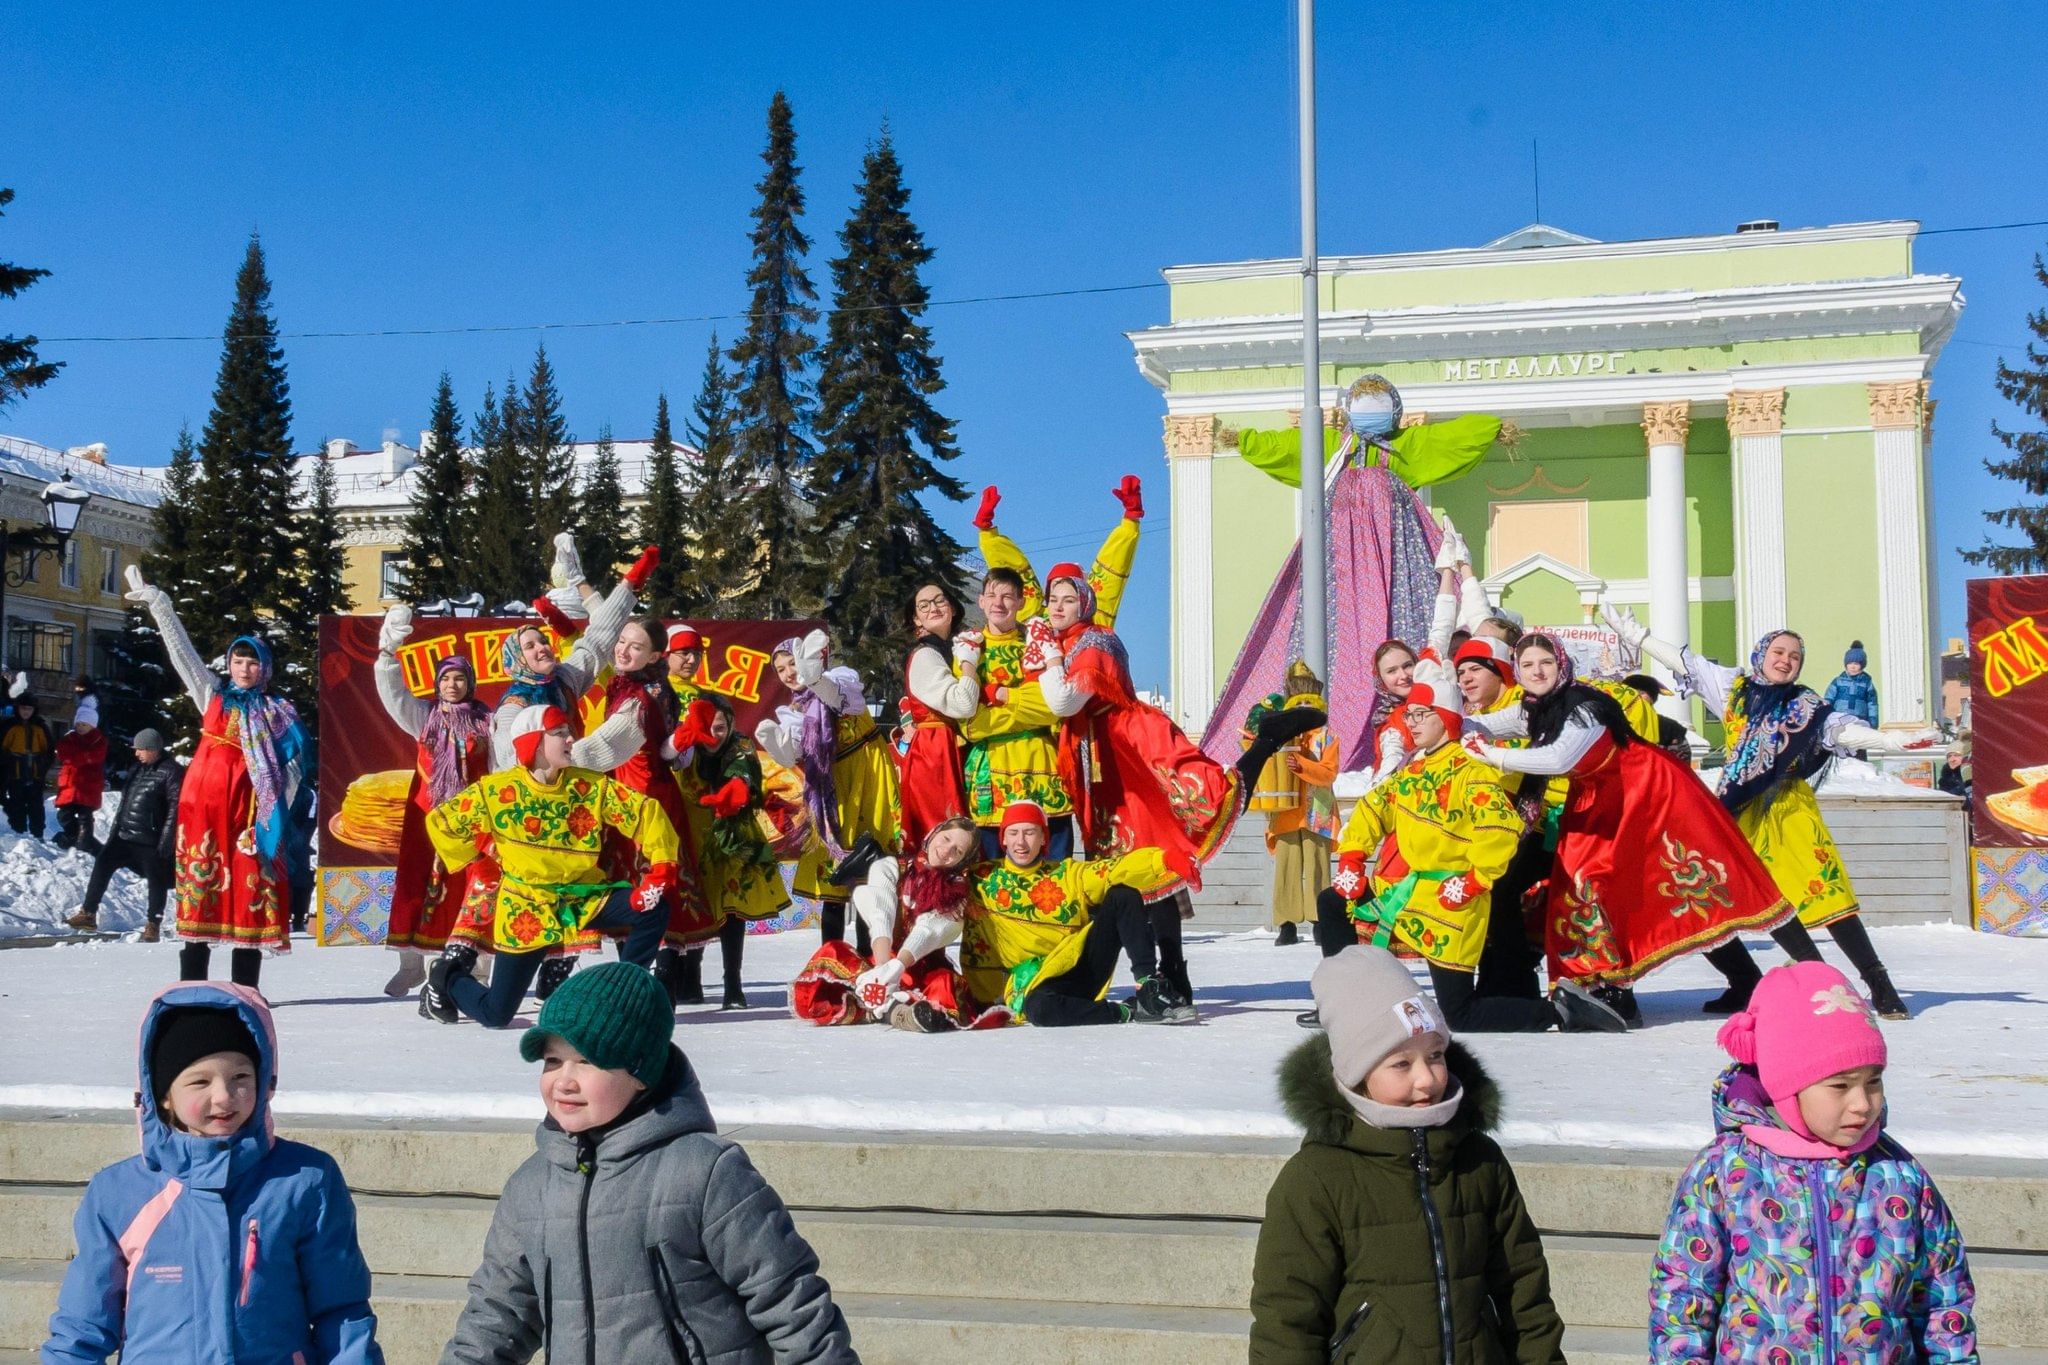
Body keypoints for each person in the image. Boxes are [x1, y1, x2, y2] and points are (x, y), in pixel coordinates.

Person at [441, 962, 857, 1364]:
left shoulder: (705, 1172)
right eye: (552, 1060)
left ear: (641, 1073)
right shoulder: (532, 1186)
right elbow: (497, 1316)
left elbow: (793, 1304)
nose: (564, 1080)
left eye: (588, 1060)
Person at [1607, 606, 1938, 1019]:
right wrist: (1636, 636)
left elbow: (1841, 730)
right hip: (1733, 811)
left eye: (1794, 656)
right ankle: (1815, 978)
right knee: (1736, 896)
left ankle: (1877, 980)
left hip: (1788, 809)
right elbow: (1685, 661)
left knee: (1827, 889)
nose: (1785, 660)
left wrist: (1892, 743)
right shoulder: (1733, 688)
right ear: (1761, 654)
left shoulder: (1805, 706)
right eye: (1778, 651)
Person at [1462, 633, 1806, 1024]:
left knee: (1683, 883)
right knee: (1627, 888)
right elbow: (1479, 722)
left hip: (1650, 793)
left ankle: (1616, 992)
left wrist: (1493, 756)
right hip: (1604, 800)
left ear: (1562, 665)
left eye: (1546, 663)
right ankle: (1736, 981)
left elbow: (1559, 758)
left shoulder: (1581, 708)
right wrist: (1430, 719)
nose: (1537, 671)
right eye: (1528, 665)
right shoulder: (1537, 707)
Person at [1250, 945, 1566, 1365]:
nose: (1427, 1079)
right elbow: (1286, 1321)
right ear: (1357, 1073)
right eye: (1401, 1064)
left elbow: (1524, 1292)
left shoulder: (1478, 1160)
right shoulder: (1317, 1178)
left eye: (1435, 1055)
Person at [1649, 962, 1976, 1360]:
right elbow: (1683, 1297)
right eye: (1839, 1086)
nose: (1862, 1104)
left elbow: (1944, 1299)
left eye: (1873, 1081)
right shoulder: (1726, 1173)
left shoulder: (1897, 1175)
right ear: (1788, 1087)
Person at [42, 982, 383, 1363]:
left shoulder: (304, 1180)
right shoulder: (119, 1192)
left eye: (241, 1077)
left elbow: (341, 1310)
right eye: (200, 1082)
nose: (224, 1095)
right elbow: (82, 1327)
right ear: (163, 1095)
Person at [1313, 680, 1616, 1034]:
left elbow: (1500, 829)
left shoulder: (1472, 770)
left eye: (1421, 714)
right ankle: (1348, 1004)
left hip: (1451, 900)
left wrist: (1474, 880)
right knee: (1334, 901)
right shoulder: (1414, 769)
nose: (1410, 722)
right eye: (1408, 714)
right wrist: (1351, 860)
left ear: (1446, 718)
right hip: (1408, 893)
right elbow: (1372, 809)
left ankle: (1561, 1012)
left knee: (1460, 1015)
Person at [420, 706, 680, 1029]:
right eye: (559, 734)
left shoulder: (589, 787)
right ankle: (445, 975)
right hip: (527, 907)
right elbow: (441, 822)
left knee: (652, 909)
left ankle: (620, 998)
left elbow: (644, 811)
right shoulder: (498, 791)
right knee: (496, 1014)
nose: (571, 739)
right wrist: (480, 853)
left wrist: (662, 867)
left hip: (583, 897)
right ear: (535, 742)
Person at [125, 567, 312, 989]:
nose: (243, 669)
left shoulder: (278, 711)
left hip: (248, 820)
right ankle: (192, 988)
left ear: (265, 667)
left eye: (252, 662)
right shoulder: (213, 696)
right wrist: (161, 606)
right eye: (237, 660)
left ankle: (246, 991)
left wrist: (271, 812)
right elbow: (183, 656)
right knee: (200, 896)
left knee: (249, 895)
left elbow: (296, 766)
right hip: (203, 815)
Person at [957, 481, 1141, 859]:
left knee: (1075, 850)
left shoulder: (1092, 633)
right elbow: (1012, 578)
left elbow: (1109, 578)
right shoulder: (1022, 632)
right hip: (1007, 765)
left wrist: (1129, 525)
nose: (1058, 607)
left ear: (1083, 601)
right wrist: (989, 534)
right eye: (1052, 597)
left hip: (1077, 751)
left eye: (1068, 598)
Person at [961, 800, 1197, 1025]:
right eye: (1013, 833)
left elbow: (1111, 869)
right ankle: (1126, 1010)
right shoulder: (982, 878)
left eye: (1030, 832)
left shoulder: (1067, 873)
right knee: (1041, 1009)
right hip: (1038, 986)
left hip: (1081, 969)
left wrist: (1163, 860)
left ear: (1044, 837)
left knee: (1122, 894)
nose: (1021, 842)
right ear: (1003, 838)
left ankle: (1148, 986)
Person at [373, 607, 497, 1003]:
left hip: (472, 818)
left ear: (471, 682)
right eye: (447, 677)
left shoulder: (486, 722)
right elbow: (393, 695)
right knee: (419, 886)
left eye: (460, 677)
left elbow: (498, 764)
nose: (453, 684)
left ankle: (476, 967)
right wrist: (387, 654)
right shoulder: (423, 717)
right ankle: (412, 966)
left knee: (475, 886)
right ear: (437, 682)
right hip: (428, 814)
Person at [755, 630, 901, 948]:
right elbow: (794, 752)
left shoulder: (838, 678)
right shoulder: (795, 711)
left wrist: (815, 678)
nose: (788, 673)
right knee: (833, 883)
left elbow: (838, 700)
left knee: (870, 874)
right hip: (832, 790)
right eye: (781, 670)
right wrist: (778, 747)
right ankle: (831, 957)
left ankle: (868, 955)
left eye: (792, 664)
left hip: (869, 778)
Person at [598, 612, 716, 1002]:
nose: (624, 649)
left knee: (657, 882)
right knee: (627, 883)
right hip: (622, 796)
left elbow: (657, 750)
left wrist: (684, 738)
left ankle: (662, 977)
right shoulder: (627, 684)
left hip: (648, 796)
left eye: (636, 646)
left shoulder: (647, 693)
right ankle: (633, 972)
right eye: (623, 641)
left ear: (653, 656)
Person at [793, 814, 984, 1032]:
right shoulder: (892, 865)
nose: (947, 850)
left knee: (944, 984)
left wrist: (898, 967)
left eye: (958, 851)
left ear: (963, 861)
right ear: (934, 833)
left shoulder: (955, 893)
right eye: (947, 838)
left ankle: (891, 1010)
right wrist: (882, 969)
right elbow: (880, 913)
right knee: (832, 951)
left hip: (920, 968)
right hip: (881, 958)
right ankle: (888, 1006)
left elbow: (929, 931)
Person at [674, 693, 790, 1010]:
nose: (715, 734)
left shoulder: (741, 745)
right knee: (695, 906)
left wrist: (737, 790)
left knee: (731, 910)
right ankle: (690, 978)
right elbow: (669, 762)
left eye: (721, 727)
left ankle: (733, 984)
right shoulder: (686, 749)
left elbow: (746, 775)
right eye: (708, 727)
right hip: (693, 835)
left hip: (733, 837)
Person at [1242, 661, 1338, 947]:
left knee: (1319, 867)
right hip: (1284, 810)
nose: (1305, 708)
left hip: (1316, 811)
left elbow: (1329, 772)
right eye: (1300, 703)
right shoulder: (1282, 736)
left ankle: (1321, 923)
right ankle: (1286, 924)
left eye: (1310, 703)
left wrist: (1304, 766)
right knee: (1286, 867)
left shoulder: (1326, 737)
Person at [64, 727, 181, 940]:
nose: (136, 753)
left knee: (157, 880)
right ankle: (88, 913)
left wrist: (167, 839)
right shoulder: (137, 769)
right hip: (124, 835)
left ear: (153, 749)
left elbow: (175, 808)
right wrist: (114, 831)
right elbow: (125, 803)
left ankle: (153, 924)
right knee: (102, 864)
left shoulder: (171, 770)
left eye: (140, 749)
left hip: (149, 839)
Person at [896, 580, 978, 847]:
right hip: (933, 753)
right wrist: (969, 666)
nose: (933, 607)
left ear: (953, 608)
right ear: (915, 618)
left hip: (943, 748)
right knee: (943, 830)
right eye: (924, 605)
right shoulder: (926, 655)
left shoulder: (945, 651)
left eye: (940, 600)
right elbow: (963, 703)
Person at [52, 697, 107, 855]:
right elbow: (63, 753)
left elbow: (94, 756)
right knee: (64, 814)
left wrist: (77, 757)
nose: (81, 727)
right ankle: (74, 836)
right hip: (69, 785)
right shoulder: (69, 738)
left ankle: (84, 839)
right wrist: (79, 757)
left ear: (92, 725)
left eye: (84, 725)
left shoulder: (98, 739)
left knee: (85, 815)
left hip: (87, 785)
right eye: (78, 724)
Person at [0, 680, 55, 839]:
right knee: (16, 806)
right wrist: (8, 764)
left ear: (34, 710)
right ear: (17, 708)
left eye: (29, 709)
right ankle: (20, 835)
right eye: (23, 708)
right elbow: (3, 749)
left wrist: (42, 766)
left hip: (35, 774)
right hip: (14, 774)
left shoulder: (40, 727)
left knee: (36, 807)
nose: (26, 712)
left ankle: (38, 835)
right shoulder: (9, 726)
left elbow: (48, 749)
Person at [1823, 640, 1881, 727]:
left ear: (1862, 665)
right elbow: (1828, 699)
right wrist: (1825, 716)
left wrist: (1873, 722)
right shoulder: (1838, 681)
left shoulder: (1867, 683)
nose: (1853, 666)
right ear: (1846, 664)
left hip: (1860, 720)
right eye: (1850, 663)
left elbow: (1872, 703)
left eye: (1856, 664)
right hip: (1840, 720)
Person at [665, 623, 706, 707]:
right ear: (666, 655)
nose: (692, 660)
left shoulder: (704, 696)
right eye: (684, 653)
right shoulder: (651, 691)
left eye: (697, 654)